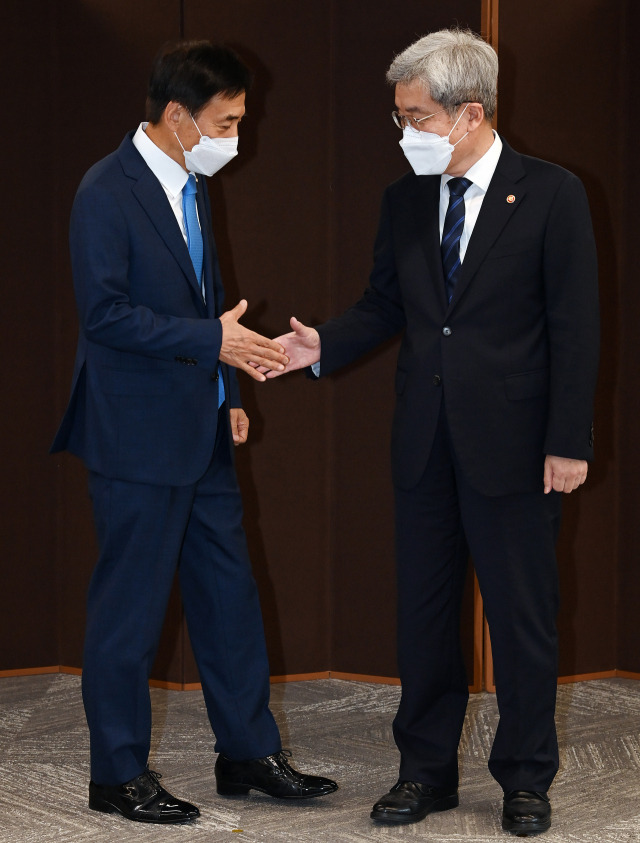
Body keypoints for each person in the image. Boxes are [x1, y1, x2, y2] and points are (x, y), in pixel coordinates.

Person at [263, 28, 599, 836]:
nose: (403, 130)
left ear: (468, 114)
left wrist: (569, 440)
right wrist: (325, 344)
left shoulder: (552, 193)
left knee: (522, 617)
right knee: (423, 613)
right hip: (423, 440)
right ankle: (425, 772)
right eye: (399, 114)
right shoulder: (405, 197)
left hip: (518, 447)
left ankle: (525, 776)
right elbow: (387, 303)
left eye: (415, 115)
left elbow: (575, 326)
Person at [51, 40, 337, 825]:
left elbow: (204, 305)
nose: (235, 137)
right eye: (226, 121)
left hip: (202, 425)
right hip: (135, 435)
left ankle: (246, 752)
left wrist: (224, 387)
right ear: (177, 116)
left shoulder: (192, 185)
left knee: (228, 596)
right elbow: (106, 315)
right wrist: (213, 345)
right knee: (130, 609)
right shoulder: (104, 191)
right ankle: (115, 773)